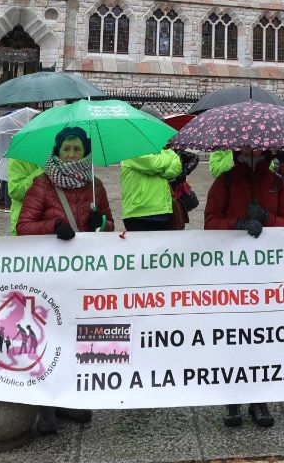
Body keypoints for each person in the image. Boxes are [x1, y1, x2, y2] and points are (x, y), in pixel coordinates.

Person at [17, 127, 112, 433]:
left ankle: (71, 397)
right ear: (57, 151)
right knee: (48, 336)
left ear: (86, 153)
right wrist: (54, 226)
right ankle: (46, 404)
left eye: (77, 149)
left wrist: (102, 224)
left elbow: (108, 228)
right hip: (49, 275)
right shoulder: (42, 185)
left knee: (78, 335)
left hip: (82, 276)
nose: (71, 154)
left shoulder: (95, 185)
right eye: (66, 149)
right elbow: (24, 226)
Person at [205, 147, 284, 427]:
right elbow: (210, 222)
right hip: (232, 274)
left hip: (266, 274)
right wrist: (239, 223)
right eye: (246, 148)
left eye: (258, 149)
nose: (252, 152)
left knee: (262, 335)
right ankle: (232, 399)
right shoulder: (226, 181)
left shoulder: (276, 183)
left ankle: (259, 399)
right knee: (233, 334)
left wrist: (268, 220)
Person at [120, 149, 182, 231]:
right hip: (138, 213)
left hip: (162, 210)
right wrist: (171, 155)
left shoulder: (161, 151)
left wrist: (161, 167)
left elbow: (176, 167)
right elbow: (154, 165)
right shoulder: (130, 151)